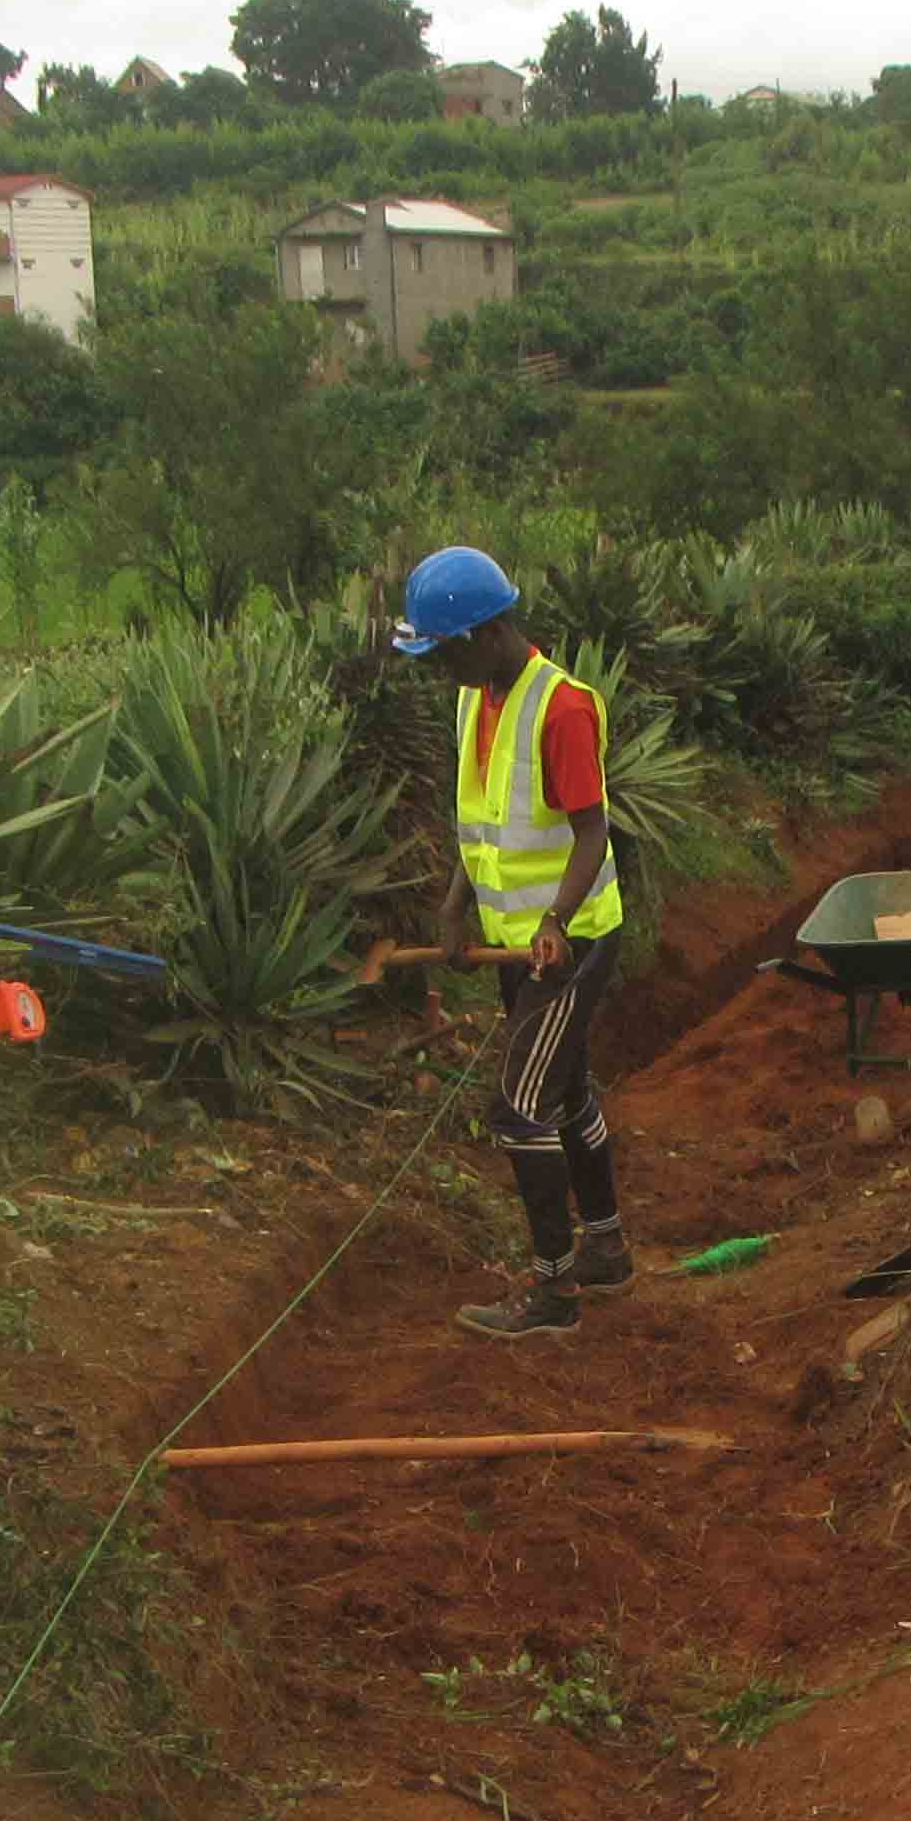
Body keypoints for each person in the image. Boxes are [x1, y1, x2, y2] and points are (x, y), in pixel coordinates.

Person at [391, 547, 637, 1337]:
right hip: (514, 943)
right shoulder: (475, 700)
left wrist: (556, 922)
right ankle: (605, 1251)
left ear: (486, 632)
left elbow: (592, 831)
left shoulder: (561, 707)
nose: (440, 671)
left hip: (571, 945)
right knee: (565, 1094)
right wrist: (455, 906)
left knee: (518, 1109)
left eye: (445, 652)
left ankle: (554, 1292)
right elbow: (483, 825)